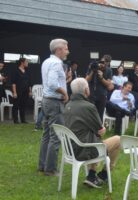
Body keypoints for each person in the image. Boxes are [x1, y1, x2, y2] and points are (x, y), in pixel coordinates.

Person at [64, 78, 120, 188]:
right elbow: (100, 130)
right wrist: (102, 129)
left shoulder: (67, 105)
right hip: (84, 149)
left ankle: (92, 175)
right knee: (118, 139)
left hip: (70, 149)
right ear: (86, 90)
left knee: (93, 138)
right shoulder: (89, 107)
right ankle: (104, 174)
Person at [38, 38, 69, 176]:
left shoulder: (46, 61)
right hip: (54, 102)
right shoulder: (57, 63)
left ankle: (42, 165)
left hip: (46, 100)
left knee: (46, 134)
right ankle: (50, 169)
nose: (68, 51)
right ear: (58, 50)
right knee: (56, 136)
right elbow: (52, 83)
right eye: (66, 48)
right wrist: (64, 93)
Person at [86, 57, 114, 121]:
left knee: (100, 115)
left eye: (104, 63)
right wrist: (93, 71)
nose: (102, 64)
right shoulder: (92, 67)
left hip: (102, 95)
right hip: (91, 94)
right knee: (90, 114)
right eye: (101, 62)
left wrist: (101, 78)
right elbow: (87, 80)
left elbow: (108, 84)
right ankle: (90, 130)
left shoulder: (109, 70)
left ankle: (99, 130)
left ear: (107, 64)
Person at [11, 58, 32, 123]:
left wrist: (30, 91)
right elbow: (13, 83)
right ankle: (16, 120)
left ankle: (23, 120)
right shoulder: (16, 71)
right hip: (18, 91)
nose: (27, 63)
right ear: (22, 63)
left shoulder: (27, 71)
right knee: (16, 105)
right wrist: (14, 92)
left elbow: (29, 82)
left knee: (23, 105)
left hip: (25, 91)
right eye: (26, 62)